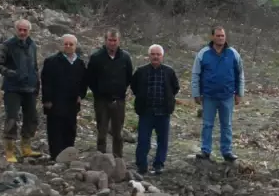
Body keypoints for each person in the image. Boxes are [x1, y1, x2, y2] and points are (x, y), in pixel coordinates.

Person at [190, 25, 244, 162]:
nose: (220, 38)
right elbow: (196, 74)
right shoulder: (203, 54)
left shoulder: (233, 54)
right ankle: (205, 150)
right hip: (209, 97)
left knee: (227, 125)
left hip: (227, 96)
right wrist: (196, 93)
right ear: (212, 37)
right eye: (218, 35)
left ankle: (227, 151)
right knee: (207, 124)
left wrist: (239, 93)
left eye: (223, 36)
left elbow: (240, 74)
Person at [0, 18, 41, 163]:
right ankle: (9, 150)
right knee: (12, 118)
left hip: (30, 87)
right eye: (20, 29)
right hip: (12, 88)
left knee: (31, 117)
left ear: (29, 31)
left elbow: (34, 66)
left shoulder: (32, 45)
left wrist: (37, 83)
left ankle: (26, 147)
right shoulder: (7, 45)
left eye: (25, 30)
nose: (22, 32)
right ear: (16, 30)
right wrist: (10, 73)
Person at [131, 44, 179, 176]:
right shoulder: (141, 71)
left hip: (163, 113)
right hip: (146, 112)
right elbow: (134, 87)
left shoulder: (169, 72)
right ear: (149, 56)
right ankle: (142, 166)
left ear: (162, 56)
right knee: (143, 140)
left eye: (158, 54)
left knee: (162, 141)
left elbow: (175, 88)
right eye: (153, 54)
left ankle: (158, 165)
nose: (155, 57)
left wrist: (168, 100)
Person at [85, 29, 133, 158]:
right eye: (110, 40)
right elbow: (90, 78)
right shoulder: (96, 57)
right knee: (102, 130)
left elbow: (129, 77)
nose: (112, 43)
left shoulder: (125, 57)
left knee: (118, 132)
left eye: (114, 40)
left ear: (119, 41)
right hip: (101, 100)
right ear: (105, 41)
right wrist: (98, 91)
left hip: (119, 100)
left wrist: (122, 89)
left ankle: (118, 158)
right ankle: (101, 157)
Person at [40, 34, 88, 161]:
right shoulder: (51, 61)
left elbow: (84, 81)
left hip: (72, 102)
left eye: (71, 44)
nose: (68, 46)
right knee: (55, 129)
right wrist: (47, 100)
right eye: (65, 44)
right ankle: (55, 156)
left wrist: (80, 95)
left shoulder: (80, 63)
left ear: (75, 46)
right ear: (62, 45)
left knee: (70, 128)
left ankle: (68, 155)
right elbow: (46, 82)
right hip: (55, 101)